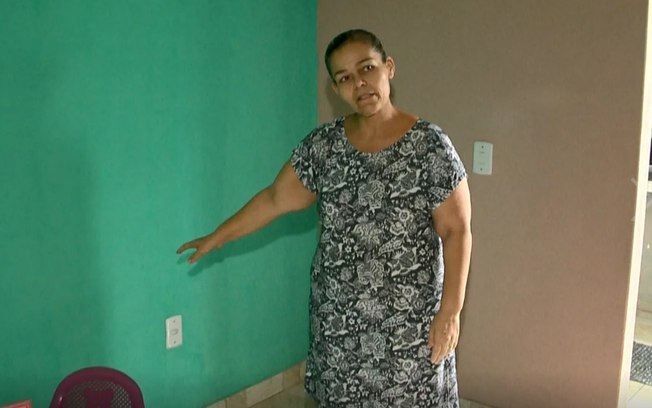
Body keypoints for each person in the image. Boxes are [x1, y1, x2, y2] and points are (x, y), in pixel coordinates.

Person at [177, 29, 472, 408]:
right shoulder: (324, 146)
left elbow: (457, 230)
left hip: (409, 326)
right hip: (338, 321)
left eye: (367, 68)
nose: (359, 83)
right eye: (345, 77)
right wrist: (217, 236)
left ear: (389, 67)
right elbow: (274, 198)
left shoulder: (430, 145)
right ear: (335, 88)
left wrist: (450, 312)